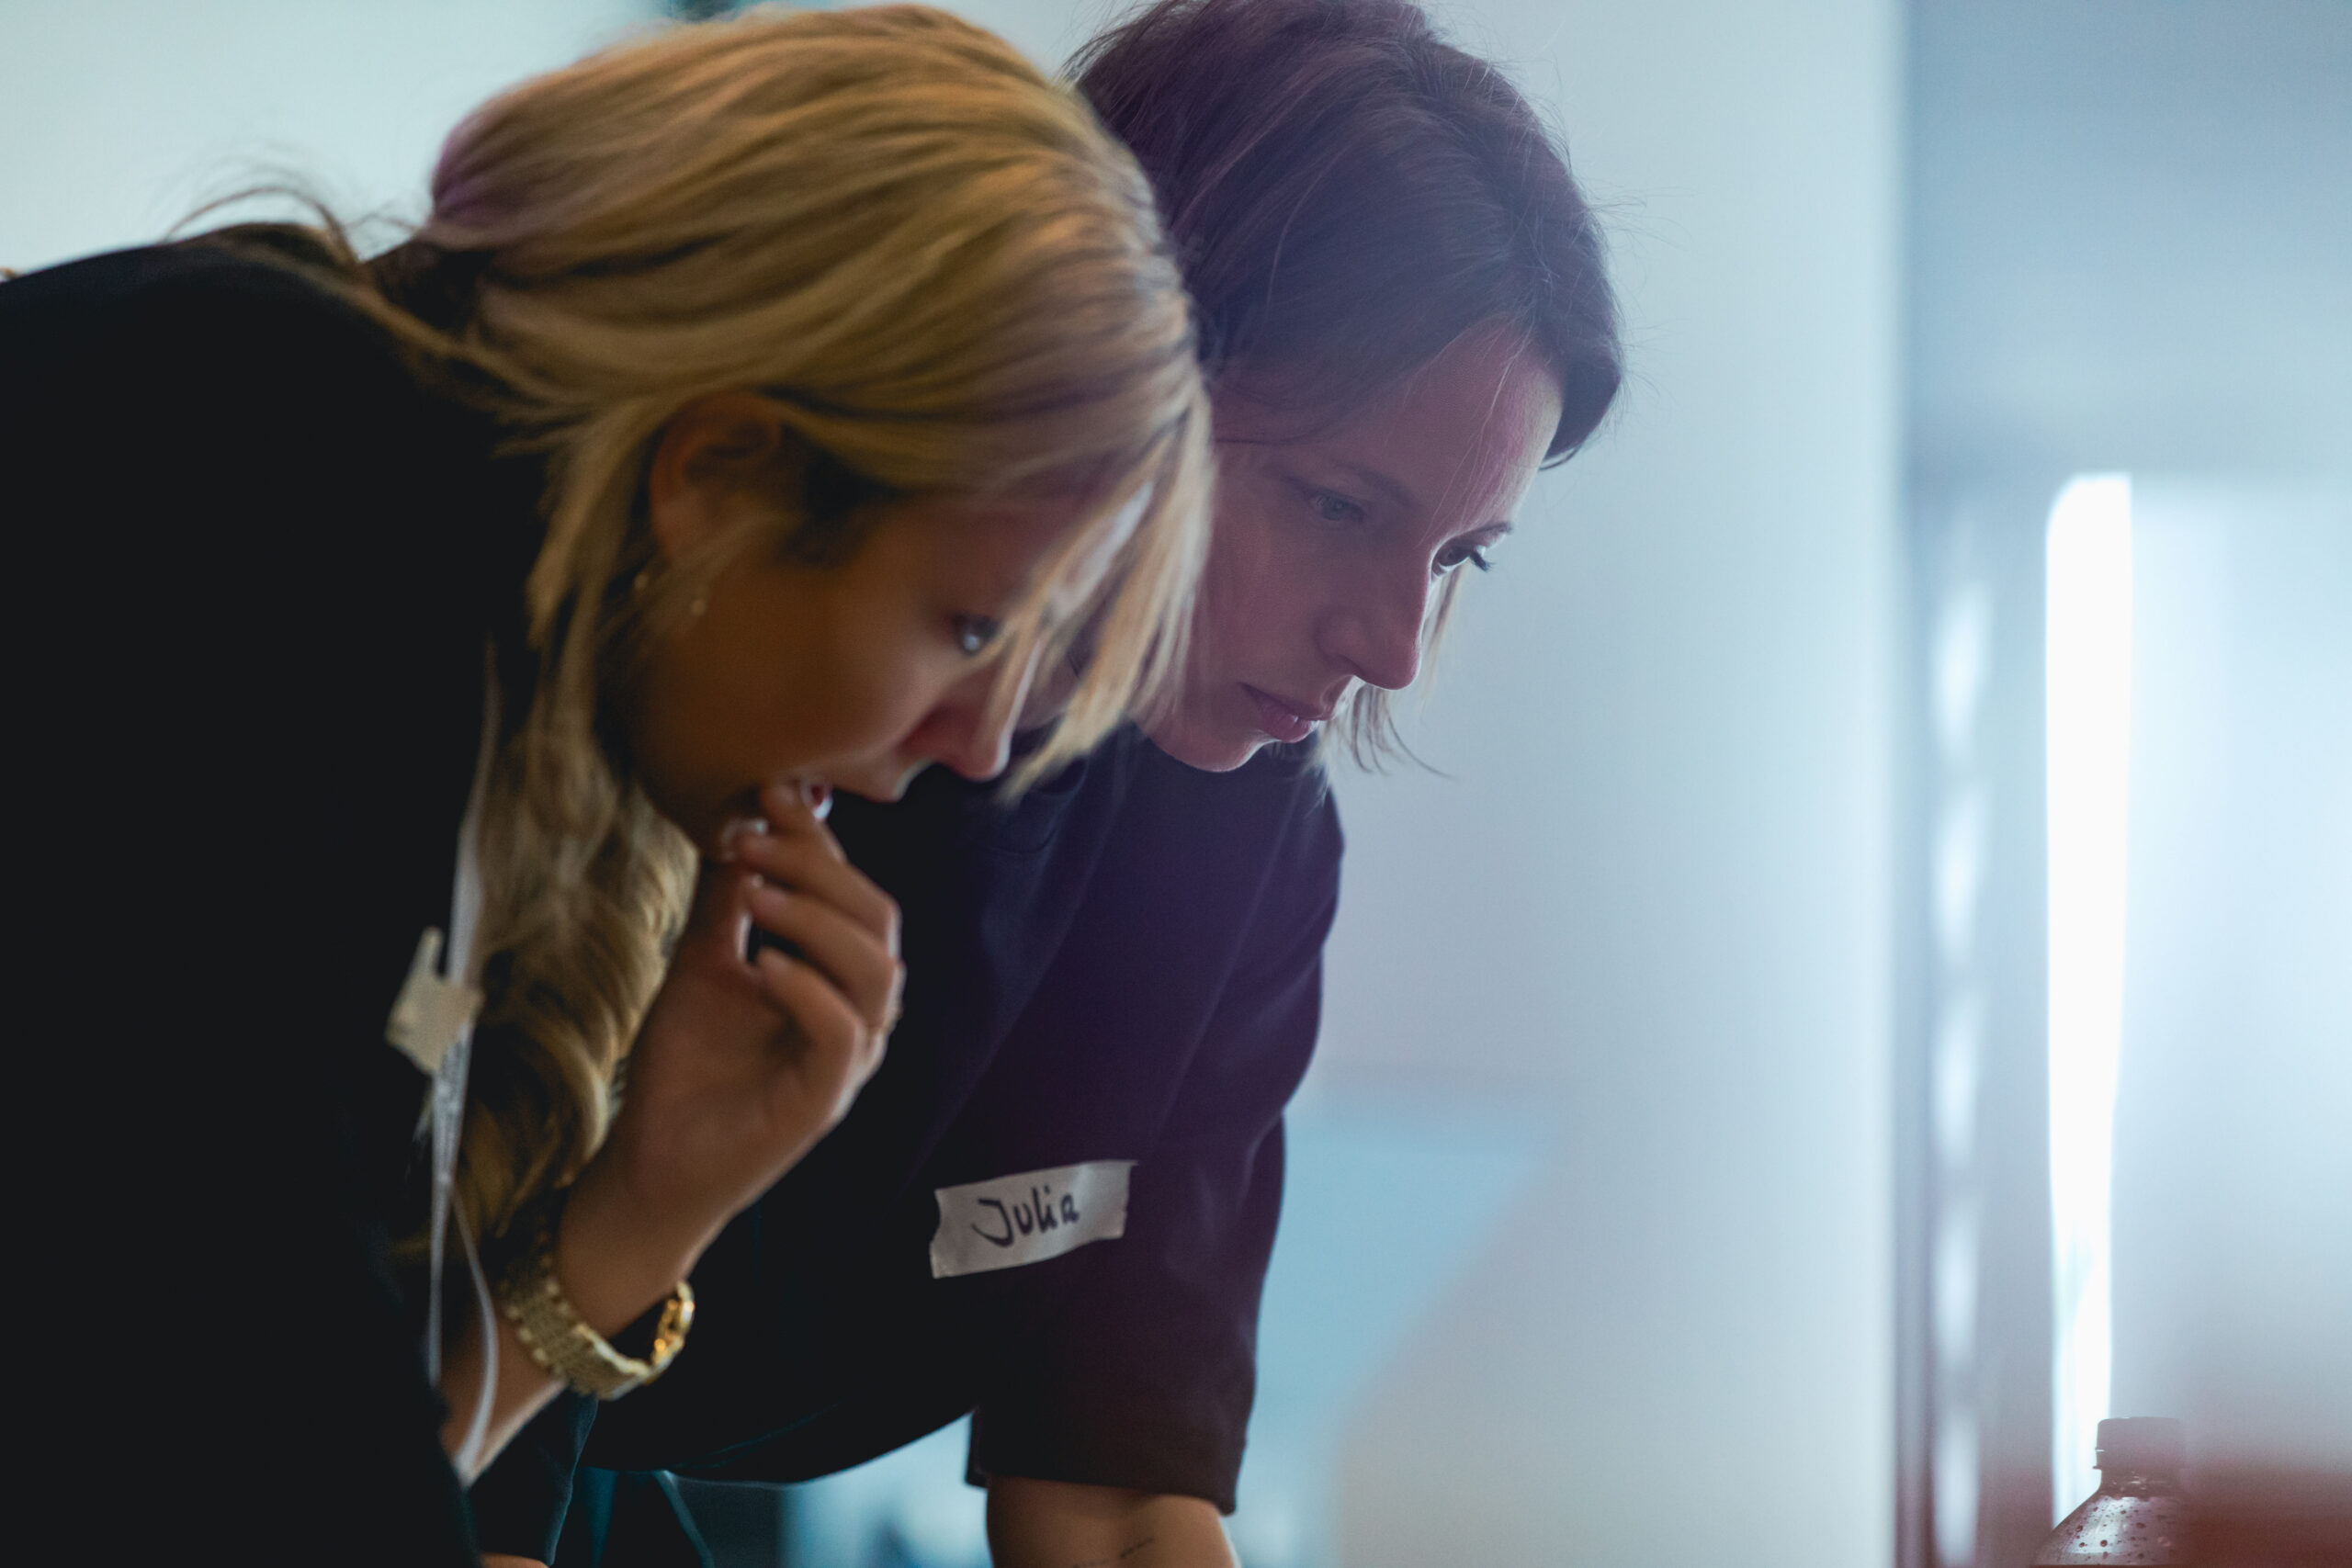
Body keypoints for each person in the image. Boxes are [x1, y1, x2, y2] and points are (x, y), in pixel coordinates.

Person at [4, 8, 1212, 1562]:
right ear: (715, 475)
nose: (977, 748)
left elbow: (264, 1462)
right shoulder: (253, 451)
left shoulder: (469, 678)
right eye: (970, 627)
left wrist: (650, 1203)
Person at [466, 1, 1623, 1563]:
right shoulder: (731, 694)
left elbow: (1115, 1483)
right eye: (1338, 506)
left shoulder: (1241, 833)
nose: (1393, 650)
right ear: (1111, 364)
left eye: (1458, 557)